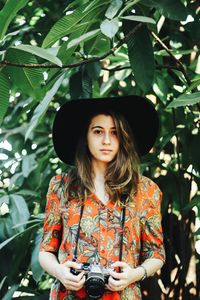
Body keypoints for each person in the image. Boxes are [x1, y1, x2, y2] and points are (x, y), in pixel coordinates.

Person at [39, 95, 165, 300]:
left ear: (124, 137)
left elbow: (157, 254)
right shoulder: (60, 186)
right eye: (98, 131)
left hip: (123, 295)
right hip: (69, 295)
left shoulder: (146, 190)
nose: (106, 140)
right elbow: (46, 249)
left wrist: (134, 274)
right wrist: (59, 272)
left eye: (114, 133)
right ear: (85, 136)